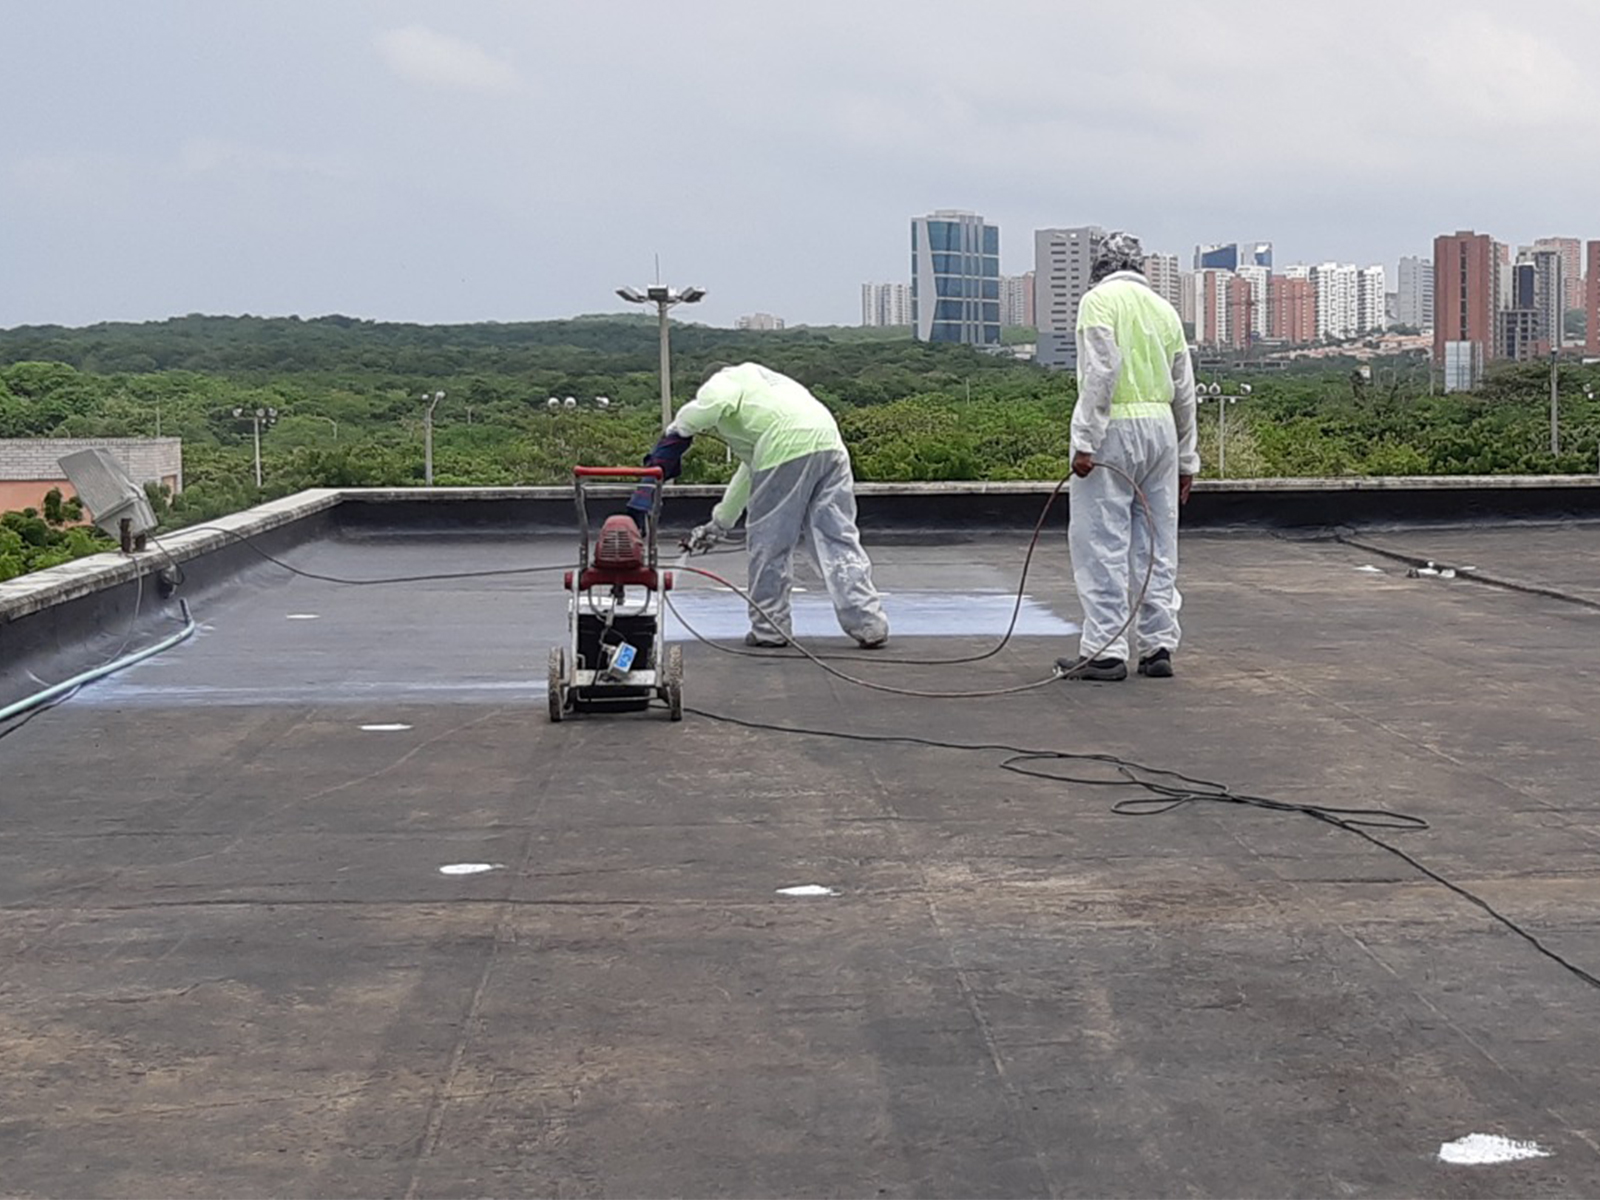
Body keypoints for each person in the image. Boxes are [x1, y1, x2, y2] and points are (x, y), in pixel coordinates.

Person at [642, 362, 889, 649]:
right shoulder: (768, 384)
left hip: (786, 445)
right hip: (830, 444)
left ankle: (769, 628)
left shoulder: (727, 378)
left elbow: (714, 402)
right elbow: (750, 472)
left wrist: (678, 429)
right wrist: (719, 523)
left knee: (770, 543)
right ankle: (869, 623)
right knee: (838, 539)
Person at [1058, 232, 1198, 682]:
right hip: (1161, 432)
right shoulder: (1164, 309)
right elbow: (1185, 390)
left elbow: (1101, 372)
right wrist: (1187, 460)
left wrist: (1084, 440)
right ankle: (1158, 646)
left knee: (1101, 541)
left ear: (1100, 264)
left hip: (1113, 431)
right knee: (1158, 544)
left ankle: (1105, 651)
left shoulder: (1097, 302)